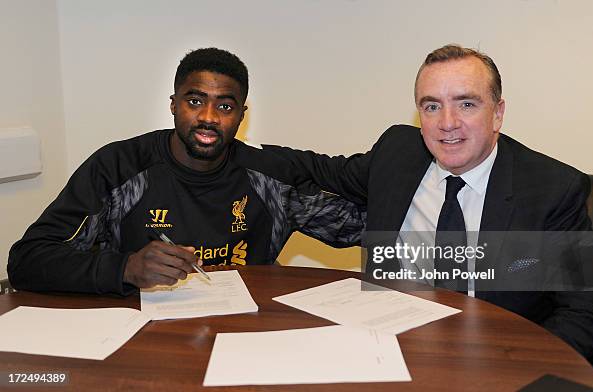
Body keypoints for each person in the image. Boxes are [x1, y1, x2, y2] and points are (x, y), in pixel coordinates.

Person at [262, 44, 593, 363]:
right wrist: (224, 151)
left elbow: (588, 310)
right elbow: (316, 168)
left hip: (498, 358)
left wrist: (516, 368)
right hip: (392, 351)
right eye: (432, 106)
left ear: (498, 113)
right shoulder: (397, 154)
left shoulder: (553, 188)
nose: (447, 123)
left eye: (466, 104)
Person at [7, 48, 365, 295]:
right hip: (142, 339)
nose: (209, 117)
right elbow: (27, 261)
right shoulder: (117, 168)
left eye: (224, 105)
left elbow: (364, 227)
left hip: (245, 333)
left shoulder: (271, 177)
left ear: (241, 115)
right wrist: (126, 268)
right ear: (174, 105)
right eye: (195, 101)